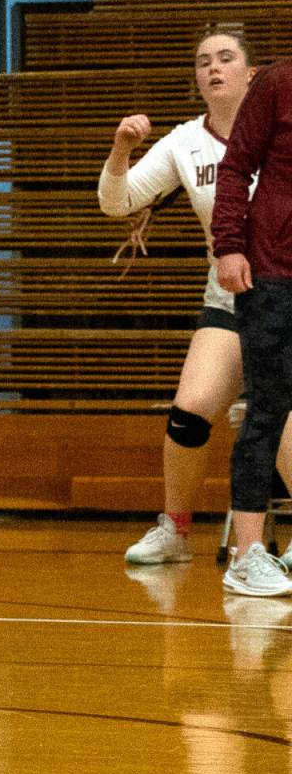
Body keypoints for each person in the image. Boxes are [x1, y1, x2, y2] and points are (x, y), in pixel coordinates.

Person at [97, 31, 292, 585]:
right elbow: (119, 203)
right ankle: (175, 529)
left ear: (253, 75)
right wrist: (121, 150)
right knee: (191, 408)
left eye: (226, 58)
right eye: (203, 61)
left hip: (283, 292)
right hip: (232, 297)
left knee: (279, 414)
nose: (214, 68)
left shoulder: (280, 127)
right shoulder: (185, 143)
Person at [212, 56, 292, 597]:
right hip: (272, 270)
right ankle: (247, 555)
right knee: (269, 406)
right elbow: (236, 166)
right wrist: (230, 245)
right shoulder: (279, 81)